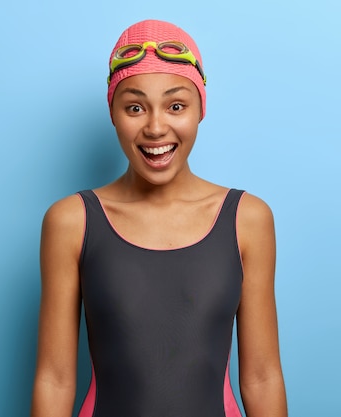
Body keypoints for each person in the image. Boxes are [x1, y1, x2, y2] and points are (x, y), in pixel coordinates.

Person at [31, 19, 287, 417]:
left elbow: (262, 377)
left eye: (176, 105)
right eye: (135, 107)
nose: (155, 127)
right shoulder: (72, 222)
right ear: (113, 112)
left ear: (201, 108)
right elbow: (55, 378)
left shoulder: (247, 219)